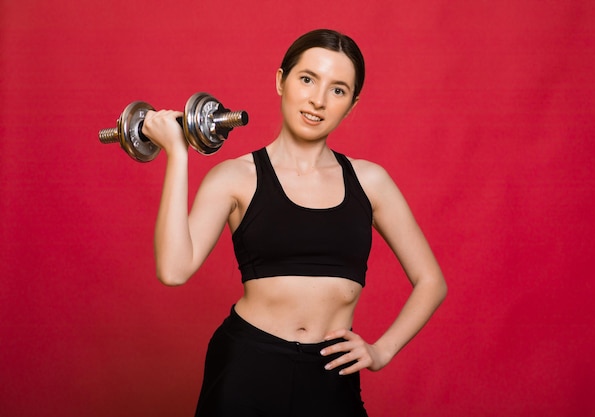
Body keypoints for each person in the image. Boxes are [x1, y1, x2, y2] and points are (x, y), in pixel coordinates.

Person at [142, 28, 447, 417]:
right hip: (247, 366)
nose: (318, 100)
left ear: (352, 105)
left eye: (338, 90)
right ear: (281, 80)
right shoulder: (235, 177)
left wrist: (381, 350)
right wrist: (177, 156)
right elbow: (173, 270)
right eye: (307, 79)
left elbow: (431, 281)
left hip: (331, 374)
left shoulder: (371, 182)